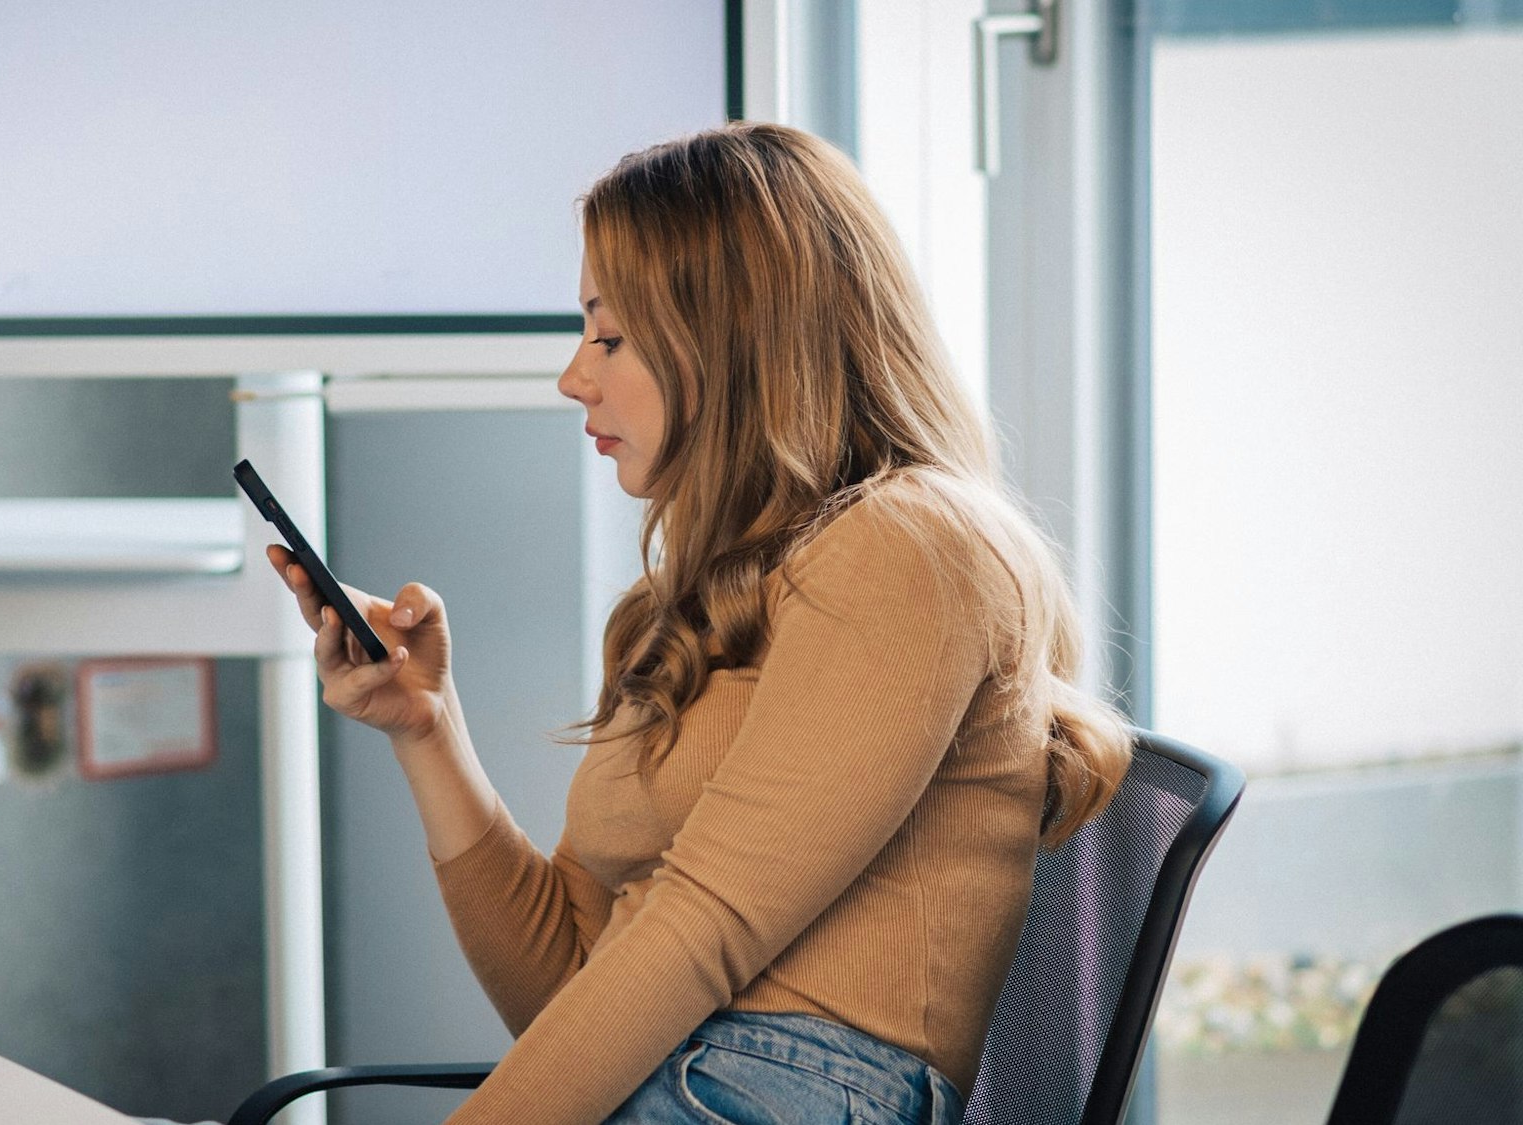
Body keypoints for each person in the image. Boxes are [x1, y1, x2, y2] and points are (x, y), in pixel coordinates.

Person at [267, 122, 1133, 1125]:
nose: (572, 376)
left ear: (734, 337)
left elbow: (703, 924)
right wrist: (425, 728)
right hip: (690, 1086)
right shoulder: (697, 603)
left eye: (608, 335)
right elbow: (569, 990)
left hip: (780, 1096)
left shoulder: (916, 545)